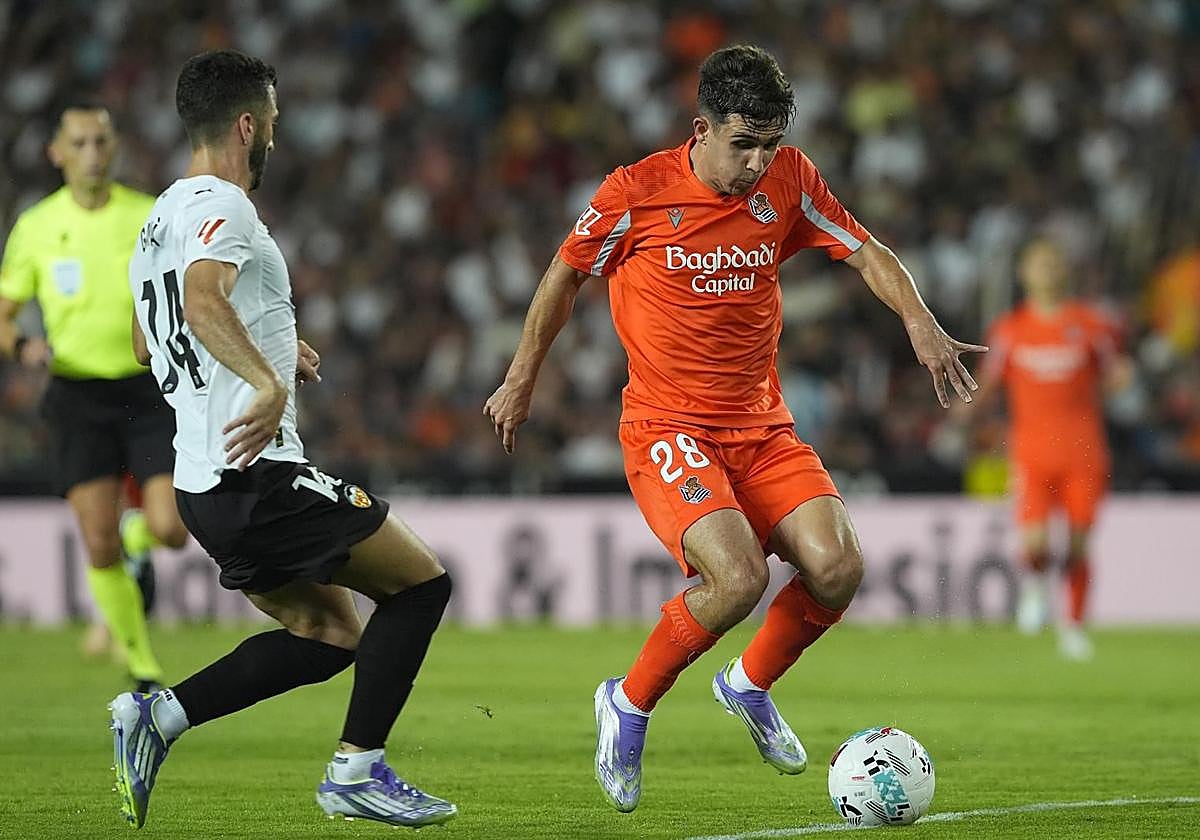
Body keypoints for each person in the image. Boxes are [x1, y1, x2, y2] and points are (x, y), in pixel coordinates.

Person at [484, 44, 986, 813]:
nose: (756, 163)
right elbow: (564, 274)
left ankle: (747, 684)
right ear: (702, 129)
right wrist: (522, 376)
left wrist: (919, 321)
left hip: (760, 425)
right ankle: (628, 703)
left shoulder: (791, 180)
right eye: (742, 144)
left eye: (770, 145)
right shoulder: (635, 192)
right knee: (739, 578)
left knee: (839, 568)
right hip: (667, 425)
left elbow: (865, 251)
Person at [107, 50, 456, 829]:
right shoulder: (225, 206)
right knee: (424, 585)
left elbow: (143, 339)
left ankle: (157, 718)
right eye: (271, 122)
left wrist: (267, 345)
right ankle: (355, 772)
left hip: (203, 486)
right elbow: (202, 302)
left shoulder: (159, 214)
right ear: (245, 123)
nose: (274, 136)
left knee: (330, 632)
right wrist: (265, 383)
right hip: (257, 473)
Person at [0, 102, 189, 692]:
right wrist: (22, 346)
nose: (91, 154)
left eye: (100, 142)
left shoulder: (146, 215)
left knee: (172, 529)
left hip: (146, 388)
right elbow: (3, 316)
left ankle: (142, 539)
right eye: (79, 143)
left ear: (114, 148)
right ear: (56, 153)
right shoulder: (36, 226)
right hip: (77, 394)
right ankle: (142, 665)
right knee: (97, 541)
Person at [975, 237, 1125, 660]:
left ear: (1065, 270)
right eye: (1039, 263)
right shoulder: (1009, 329)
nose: (1047, 270)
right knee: (1037, 543)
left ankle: (1074, 627)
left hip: (1085, 452)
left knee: (1078, 545)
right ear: (1024, 273)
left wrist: (1123, 378)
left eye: (1053, 262)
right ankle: (1036, 586)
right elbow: (987, 385)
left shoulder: (1091, 325)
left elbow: (1114, 374)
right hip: (1031, 452)